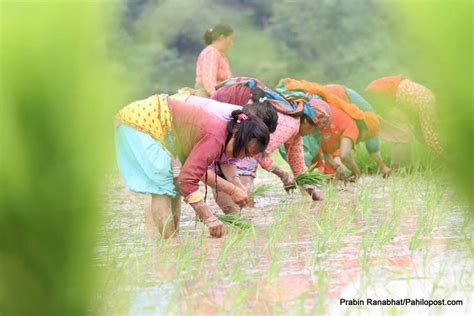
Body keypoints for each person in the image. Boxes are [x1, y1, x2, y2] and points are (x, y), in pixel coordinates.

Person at [114, 94, 270, 238]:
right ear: (238, 135)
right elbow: (188, 179)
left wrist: (233, 188)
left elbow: (195, 172)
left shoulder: (221, 135)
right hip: (140, 122)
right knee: (162, 185)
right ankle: (171, 244)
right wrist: (209, 218)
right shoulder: (215, 137)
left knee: (173, 186)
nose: (242, 157)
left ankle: (174, 239)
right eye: (245, 152)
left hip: (151, 121)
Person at [211, 77, 328, 213]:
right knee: (243, 180)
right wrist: (283, 175)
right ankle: (239, 220)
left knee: (234, 178)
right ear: (308, 122)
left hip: (228, 108)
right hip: (225, 105)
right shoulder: (289, 124)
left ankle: (234, 218)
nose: (310, 134)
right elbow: (256, 152)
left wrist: (312, 192)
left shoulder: (295, 126)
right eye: (315, 130)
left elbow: (298, 164)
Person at [276, 78, 386, 180]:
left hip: (304, 121)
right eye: (367, 136)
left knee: (304, 160)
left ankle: (304, 189)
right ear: (365, 129)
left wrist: (335, 165)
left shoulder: (339, 122)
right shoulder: (353, 127)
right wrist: (357, 172)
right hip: (307, 122)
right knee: (303, 157)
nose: (362, 141)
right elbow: (345, 155)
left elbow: (322, 151)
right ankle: (303, 191)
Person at [366, 75, 444, 166]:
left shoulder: (428, 95)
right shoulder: (428, 104)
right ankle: (396, 167)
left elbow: (418, 131)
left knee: (405, 132)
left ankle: (407, 166)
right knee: (402, 133)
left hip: (381, 90)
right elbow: (429, 137)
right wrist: (445, 156)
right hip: (381, 96)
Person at [195, 24, 233, 97]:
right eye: (230, 38)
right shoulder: (211, 53)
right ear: (222, 38)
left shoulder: (218, 54)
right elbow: (209, 81)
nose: (231, 43)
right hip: (208, 97)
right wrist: (218, 98)